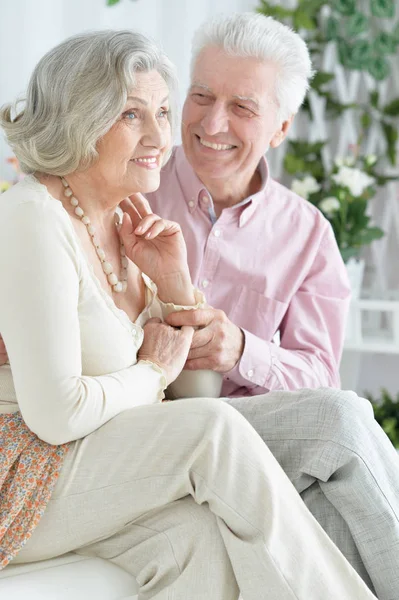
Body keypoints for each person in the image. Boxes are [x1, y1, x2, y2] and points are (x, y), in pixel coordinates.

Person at [0, 29, 378, 600]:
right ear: (81, 119)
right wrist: (152, 371)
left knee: (197, 539)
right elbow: (61, 416)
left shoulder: (126, 219)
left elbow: (195, 397)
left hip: (100, 460)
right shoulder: (33, 215)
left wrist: (176, 285)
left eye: (160, 111)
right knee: (218, 429)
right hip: (27, 474)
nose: (161, 135)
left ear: (279, 128)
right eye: (132, 115)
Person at [143, 13, 399, 600]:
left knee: (333, 519)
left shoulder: (308, 235)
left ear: (280, 128)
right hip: (150, 428)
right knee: (342, 421)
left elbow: (318, 374)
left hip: (254, 440)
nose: (212, 122)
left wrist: (241, 351)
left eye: (242, 107)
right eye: (201, 95)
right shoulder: (134, 189)